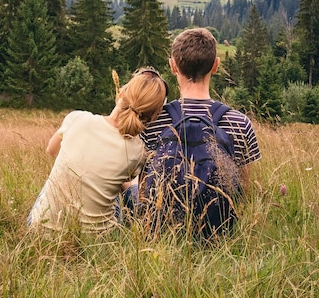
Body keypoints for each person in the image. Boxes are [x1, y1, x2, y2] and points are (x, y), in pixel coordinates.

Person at [140, 28, 261, 225]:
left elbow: (145, 188)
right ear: (216, 66)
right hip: (217, 233)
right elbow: (243, 190)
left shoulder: (152, 121)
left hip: (162, 232)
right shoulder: (240, 122)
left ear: (173, 66)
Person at [27, 68, 168, 233]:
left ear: (121, 92)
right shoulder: (137, 151)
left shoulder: (77, 118)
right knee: (120, 187)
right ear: (152, 117)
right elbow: (126, 183)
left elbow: (51, 150)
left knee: (52, 184)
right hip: (97, 241)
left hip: (41, 230)